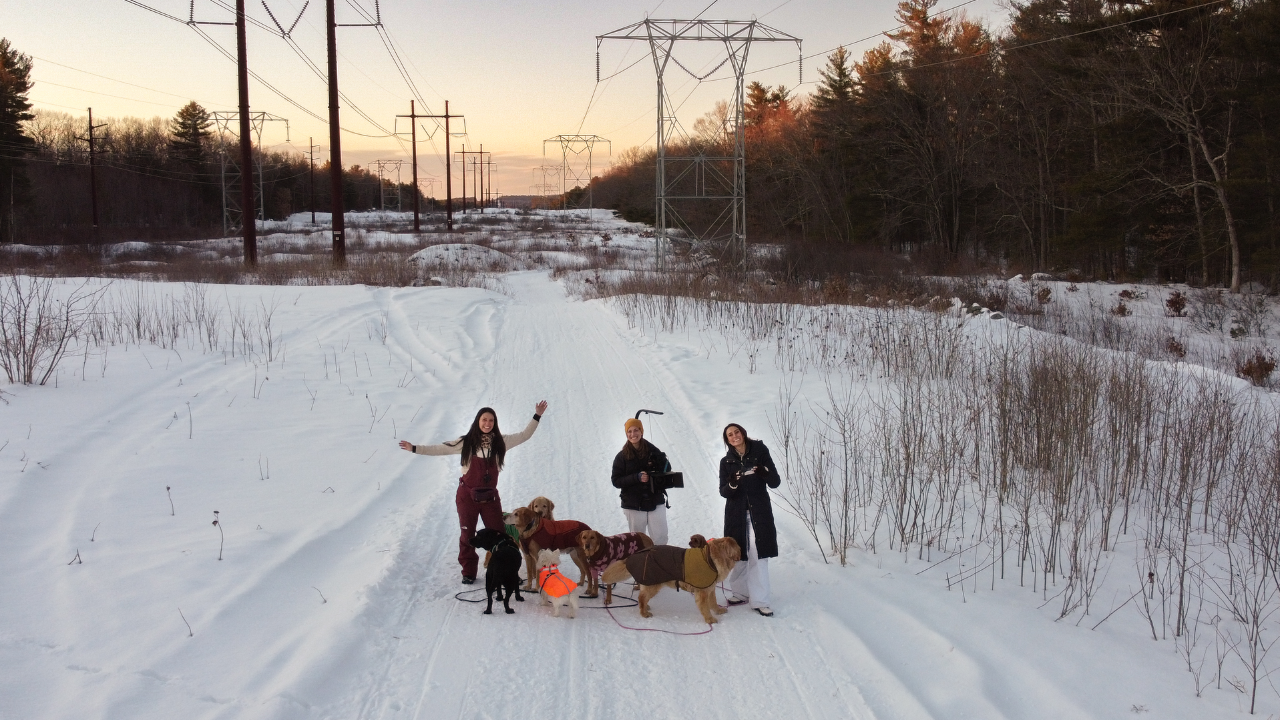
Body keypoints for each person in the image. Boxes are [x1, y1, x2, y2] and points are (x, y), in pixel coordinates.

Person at [400, 401, 548, 584]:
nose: (487, 423)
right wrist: (414, 448)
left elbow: (525, 435)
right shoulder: (466, 443)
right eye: (484, 420)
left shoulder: (501, 442)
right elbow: (440, 449)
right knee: (467, 534)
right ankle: (468, 572)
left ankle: (506, 572)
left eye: (491, 420)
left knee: (500, 535)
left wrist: (537, 415)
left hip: (490, 498)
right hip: (467, 497)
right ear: (478, 421)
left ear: (495, 423)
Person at [719, 422, 780, 617]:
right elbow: (723, 491)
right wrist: (733, 483)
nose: (734, 436)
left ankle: (760, 600)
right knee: (737, 553)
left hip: (759, 512)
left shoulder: (760, 451)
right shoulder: (726, 461)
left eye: (736, 432)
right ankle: (740, 593)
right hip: (736, 514)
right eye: (730, 435)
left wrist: (764, 472)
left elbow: (775, 481)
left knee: (758, 553)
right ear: (727, 440)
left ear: (743, 433)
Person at [610, 418, 670, 545]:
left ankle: (659, 557)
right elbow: (616, 480)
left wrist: (659, 456)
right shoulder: (621, 457)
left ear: (641, 431)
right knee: (638, 541)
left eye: (636, 430)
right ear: (626, 434)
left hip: (655, 500)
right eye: (629, 431)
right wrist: (636, 477)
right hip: (633, 503)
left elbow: (667, 469)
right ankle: (641, 558)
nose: (633, 434)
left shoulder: (653, 451)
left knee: (660, 538)